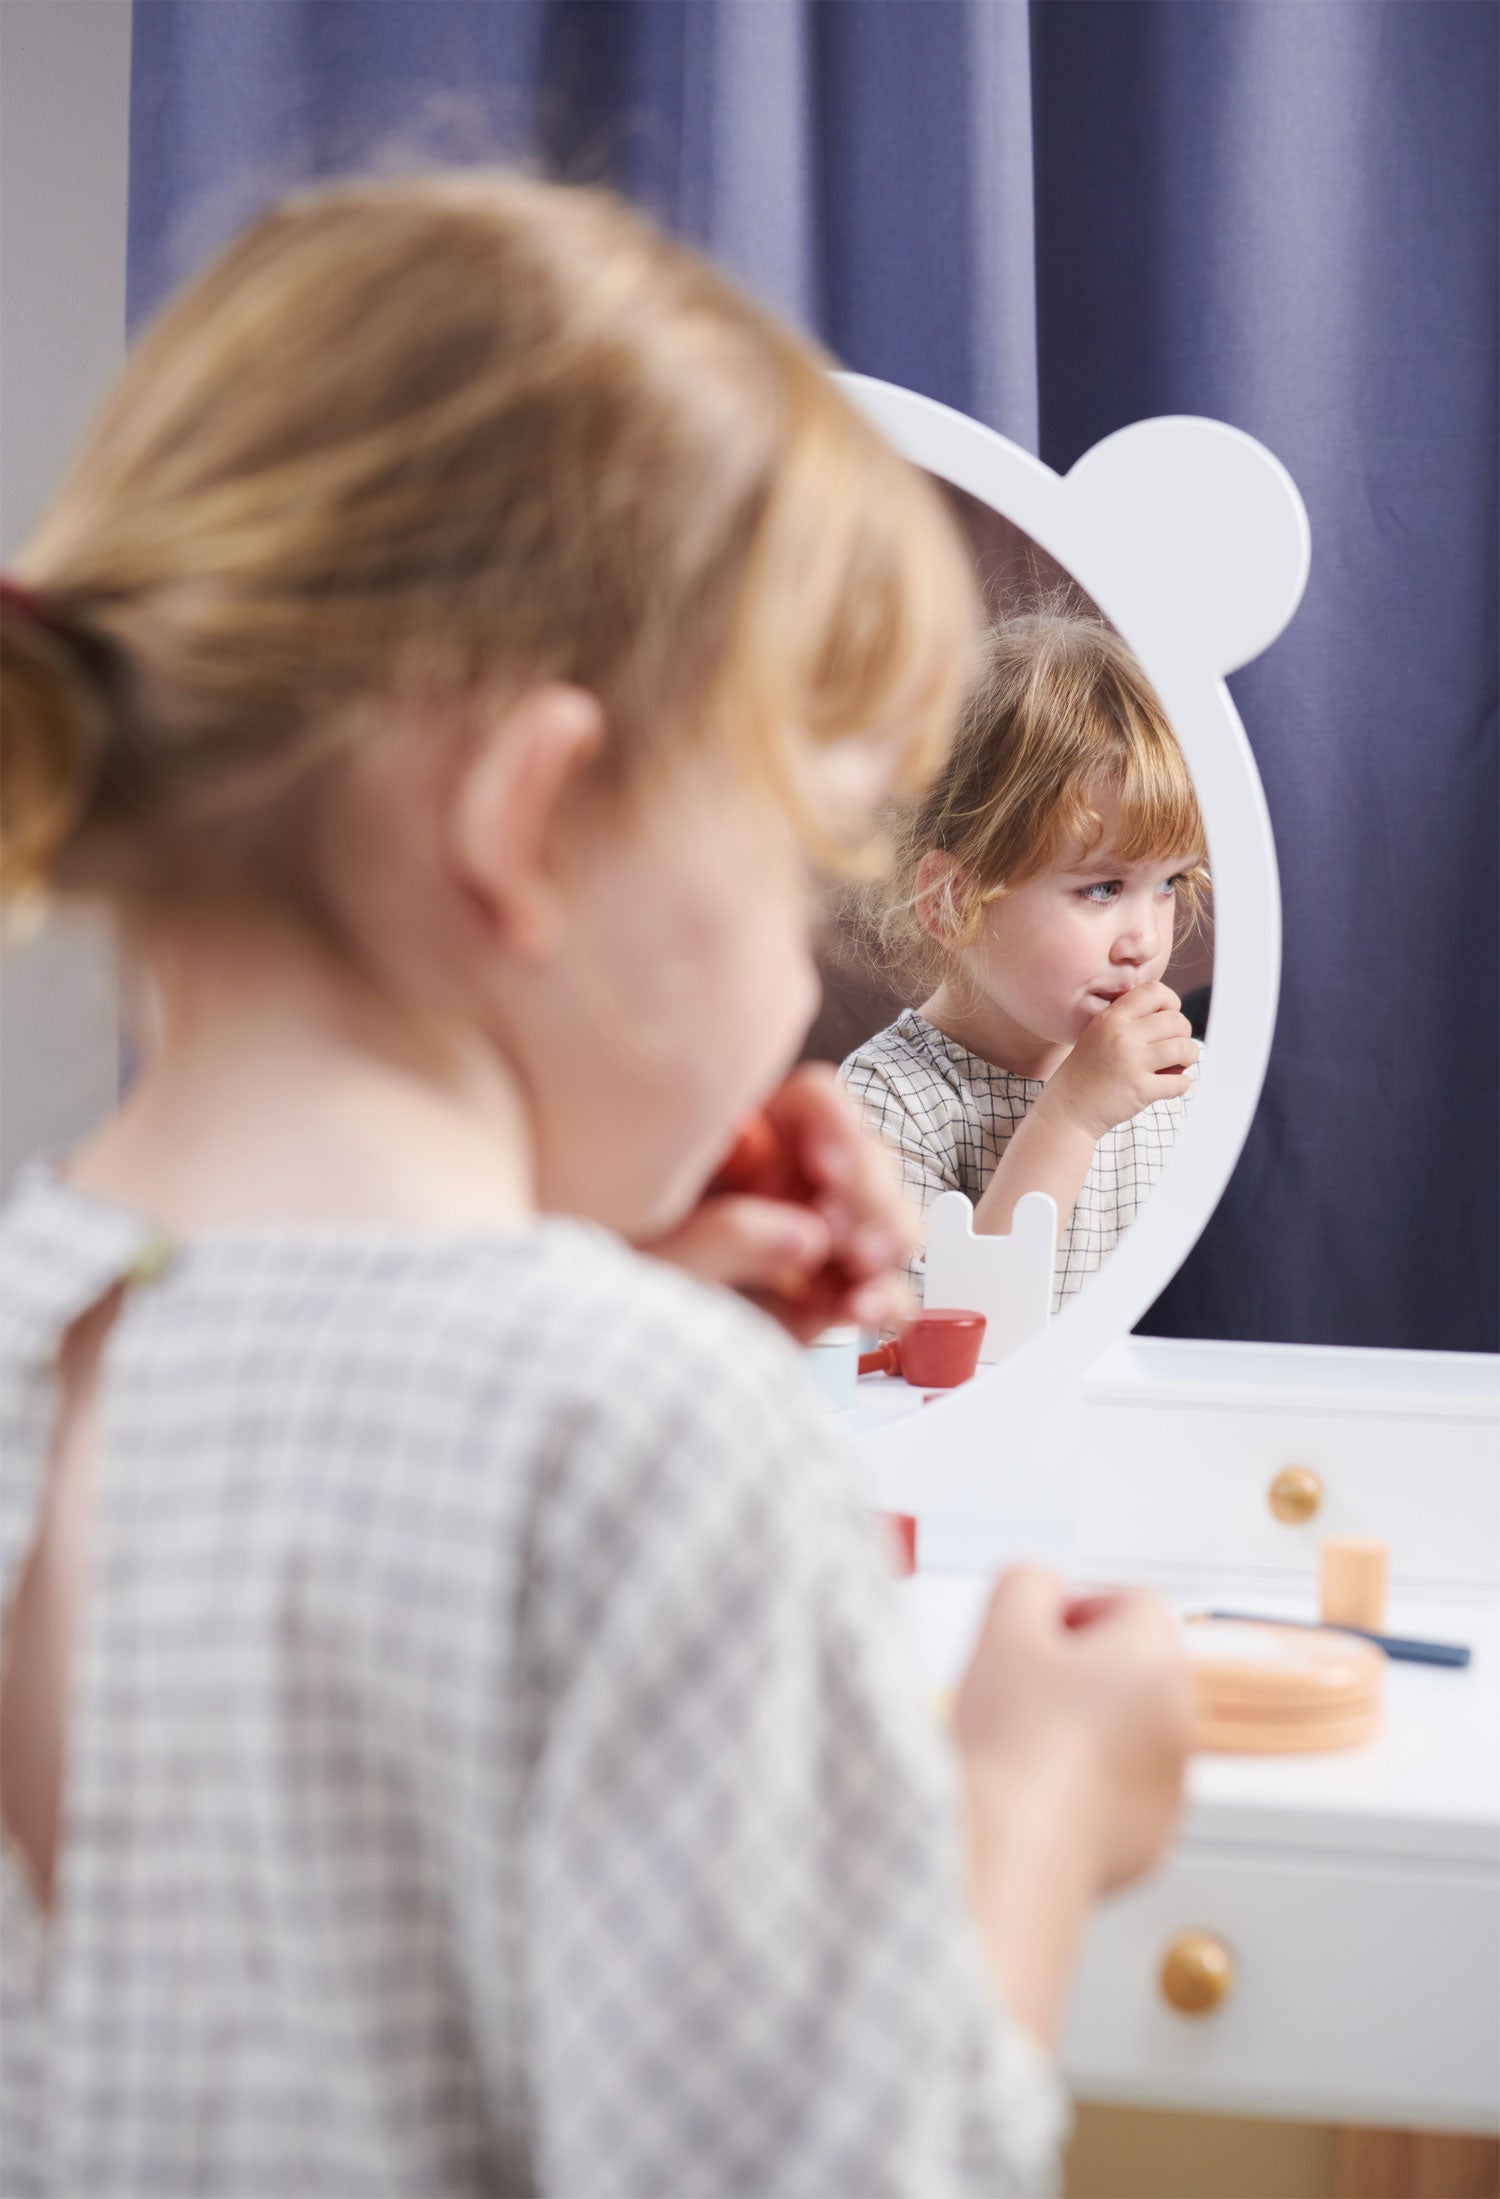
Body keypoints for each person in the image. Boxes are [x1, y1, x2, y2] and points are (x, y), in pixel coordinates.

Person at [0, 173, 1190, 2197]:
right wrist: (1033, 1809)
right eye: (797, 842)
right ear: (532, 818)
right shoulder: (646, 1438)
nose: (787, 963)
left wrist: (621, 1270)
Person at [841, 613, 1207, 1311]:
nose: (1146, 940)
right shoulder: (889, 1101)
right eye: (1102, 887)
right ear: (953, 901)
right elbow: (936, 1337)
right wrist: (1069, 1116)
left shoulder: (1172, 1086)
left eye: (1168, 884)